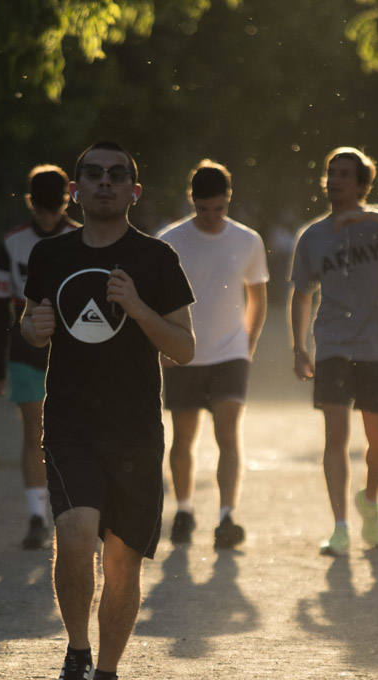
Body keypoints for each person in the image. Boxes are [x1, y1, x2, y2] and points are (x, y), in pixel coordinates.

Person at [20, 142, 195, 680]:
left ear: (133, 192)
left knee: (122, 564)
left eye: (116, 176)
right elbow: (32, 321)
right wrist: (33, 327)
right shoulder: (49, 255)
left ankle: (108, 678)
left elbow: (184, 348)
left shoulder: (157, 258)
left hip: (136, 430)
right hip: (71, 423)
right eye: (92, 175)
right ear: (75, 188)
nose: (104, 184)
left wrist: (138, 307)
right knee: (74, 537)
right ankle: (76, 653)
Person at [288, 147, 378, 556]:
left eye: (344, 174)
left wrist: (368, 215)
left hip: (377, 345)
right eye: (330, 173)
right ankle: (339, 527)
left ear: (362, 184)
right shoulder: (313, 236)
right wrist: (299, 347)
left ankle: (369, 500)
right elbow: (300, 294)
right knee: (335, 437)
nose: (334, 180)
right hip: (332, 344)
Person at [157, 160, 269, 549]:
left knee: (227, 434)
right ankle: (184, 510)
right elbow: (156, 299)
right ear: (192, 201)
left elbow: (257, 295)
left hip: (230, 353)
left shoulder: (247, 240)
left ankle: (226, 518)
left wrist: (247, 343)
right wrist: (164, 346)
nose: (210, 217)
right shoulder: (170, 239)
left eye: (218, 209)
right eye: (203, 209)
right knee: (184, 436)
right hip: (183, 353)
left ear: (229, 200)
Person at [0, 165, 78, 550]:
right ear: (30, 204)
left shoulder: (81, 239)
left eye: (53, 208)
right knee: (34, 433)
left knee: (72, 434)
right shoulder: (13, 243)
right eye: (40, 209)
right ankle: (38, 515)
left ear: (67, 201)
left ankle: (72, 511)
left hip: (74, 352)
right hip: (25, 349)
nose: (47, 216)